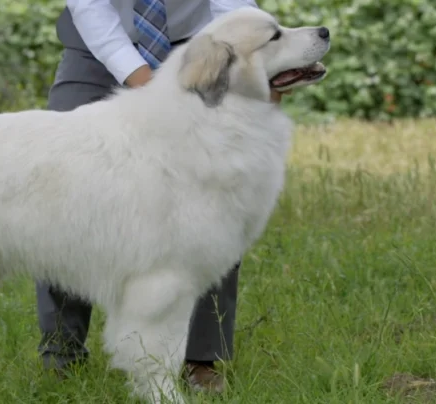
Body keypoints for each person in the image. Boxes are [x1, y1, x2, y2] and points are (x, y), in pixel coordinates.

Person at [35, 0, 287, 392]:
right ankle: (62, 355)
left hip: (202, 48)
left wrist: (249, 70)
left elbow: (233, 9)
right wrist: (155, 89)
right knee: (61, 185)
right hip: (95, 48)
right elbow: (91, 9)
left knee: (218, 195)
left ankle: (201, 359)